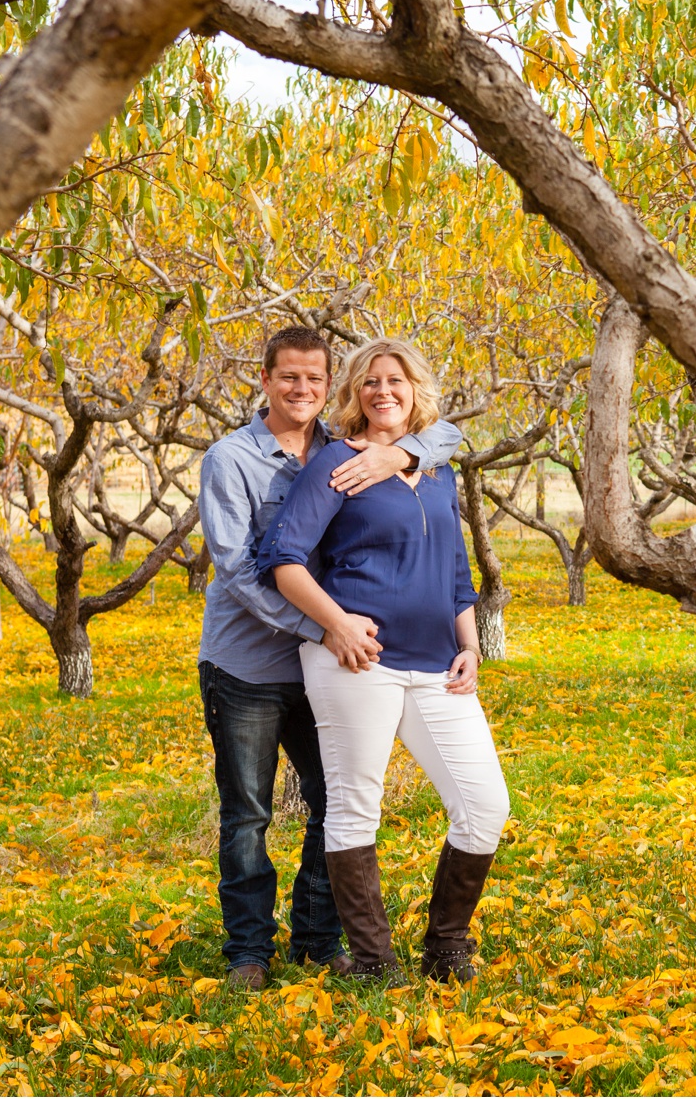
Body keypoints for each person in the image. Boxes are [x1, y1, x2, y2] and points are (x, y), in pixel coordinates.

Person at [197, 326, 461, 992]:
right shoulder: (231, 458)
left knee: (331, 800)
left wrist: (400, 455)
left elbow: (448, 436)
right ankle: (247, 952)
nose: (303, 389)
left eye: (315, 379)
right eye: (289, 377)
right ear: (264, 379)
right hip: (251, 663)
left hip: (322, 668)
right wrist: (324, 627)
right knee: (249, 813)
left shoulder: (341, 447)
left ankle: (317, 939)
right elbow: (237, 569)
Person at [255, 338, 509, 984]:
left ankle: (447, 944)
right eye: (370, 382)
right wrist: (334, 623)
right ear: (355, 394)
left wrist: (471, 644)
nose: (383, 391)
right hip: (357, 660)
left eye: (395, 379)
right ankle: (373, 959)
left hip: (436, 664)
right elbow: (283, 557)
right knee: (354, 803)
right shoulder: (337, 461)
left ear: (415, 388)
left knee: (485, 803)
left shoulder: (438, 470)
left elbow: (456, 572)